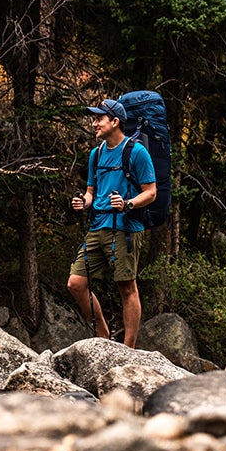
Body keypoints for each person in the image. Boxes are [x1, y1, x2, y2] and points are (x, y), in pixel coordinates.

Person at [67, 98, 157, 348]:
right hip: (97, 226)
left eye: (99, 119)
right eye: (94, 118)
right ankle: (103, 335)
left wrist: (128, 203)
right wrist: (83, 202)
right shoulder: (96, 155)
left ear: (115, 122)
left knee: (126, 288)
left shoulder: (136, 152)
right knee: (76, 283)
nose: (94, 123)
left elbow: (151, 192)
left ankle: (128, 349)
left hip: (125, 228)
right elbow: (91, 193)